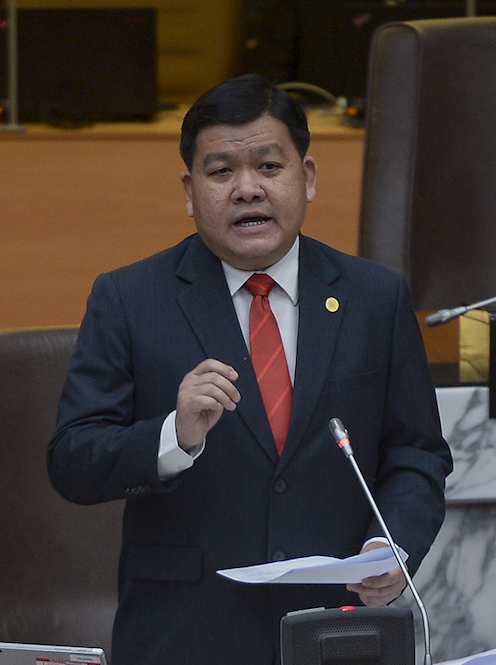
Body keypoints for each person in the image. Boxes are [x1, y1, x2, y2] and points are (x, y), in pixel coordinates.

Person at [47, 73, 453, 665]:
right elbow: (72, 462)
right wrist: (174, 437)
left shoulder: (375, 297)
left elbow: (417, 454)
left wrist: (391, 546)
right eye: (221, 173)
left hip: (338, 629)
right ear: (189, 190)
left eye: (269, 167)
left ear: (306, 178)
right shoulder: (129, 300)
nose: (247, 190)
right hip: (187, 634)